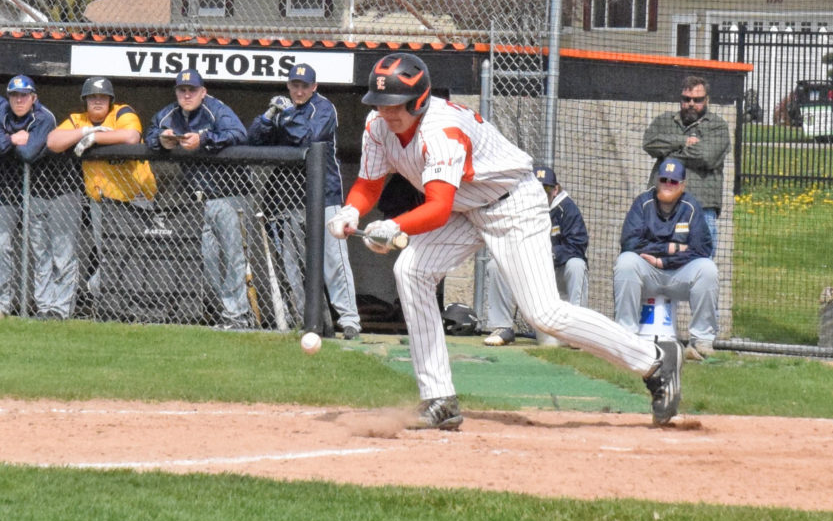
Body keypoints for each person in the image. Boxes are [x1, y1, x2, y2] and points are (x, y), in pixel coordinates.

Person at [328, 52, 681, 430]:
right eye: (380, 103)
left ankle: (654, 360)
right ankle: (439, 398)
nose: (385, 112)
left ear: (418, 100)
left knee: (544, 314)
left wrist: (395, 226)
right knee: (411, 270)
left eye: (394, 104)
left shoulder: (441, 131)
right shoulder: (377, 125)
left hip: (512, 203)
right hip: (466, 207)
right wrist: (352, 211)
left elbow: (437, 208)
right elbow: (369, 183)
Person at [248, 62, 361, 339]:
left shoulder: (323, 107)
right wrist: (268, 115)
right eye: (295, 85)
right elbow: (254, 139)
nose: (299, 91)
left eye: (304, 86)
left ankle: (350, 320)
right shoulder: (283, 110)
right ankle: (304, 319)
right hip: (290, 198)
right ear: (289, 85)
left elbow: (309, 137)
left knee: (334, 260)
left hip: (325, 194)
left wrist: (286, 117)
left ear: (314, 87)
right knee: (294, 264)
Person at [145, 69, 253, 330]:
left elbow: (239, 134)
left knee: (233, 257)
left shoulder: (216, 109)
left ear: (203, 92)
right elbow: (150, 133)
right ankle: (226, 310)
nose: (187, 95)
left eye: (192, 90)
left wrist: (204, 140)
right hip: (196, 199)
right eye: (182, 90)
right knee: (205, 259)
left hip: (230, 194)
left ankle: (237, 315)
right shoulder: (170, 114)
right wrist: (161, 141)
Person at [46, 76, 157, 299]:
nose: (97, 101)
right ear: (85, 100)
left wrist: (96, 138)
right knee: (109, 255)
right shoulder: (79, 120)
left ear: (110, 100)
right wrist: (84, 132)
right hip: (102, 202)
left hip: (136, 199)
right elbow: (53, 142)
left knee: (138, 254)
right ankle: (110, 301)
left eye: (102, 97)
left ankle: (98, 292)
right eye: (92, 97)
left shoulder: (122, 112)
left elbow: (131, 136)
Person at [613, 158, 719, 361]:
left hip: (679, 274)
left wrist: (664, 261)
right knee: (626, 262)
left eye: (674, 181)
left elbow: (702, 249)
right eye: (664, 180)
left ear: (683, 185)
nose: (668, 185)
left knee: (707, 269)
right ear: (657, 181)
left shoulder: (691, 206)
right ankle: (626, 336)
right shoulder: (642, 203)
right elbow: (629, 242)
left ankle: (701, 341)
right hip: (648, 273)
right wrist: (669, 248)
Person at [0, 76, 83, 319]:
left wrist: (7, 143)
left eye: (24, 95)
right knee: (40, 252)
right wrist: (12, 138)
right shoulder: (3, 112)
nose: (19, 100)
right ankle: (44, 307)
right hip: (31, 192)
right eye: (15, 95)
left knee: (62, 253)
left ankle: (61, 309)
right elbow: (23, 146)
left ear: (34, 97)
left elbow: (29, 153)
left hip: (60, 189)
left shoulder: (44, 116)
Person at [482, 164, 589, 347]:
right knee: (495, 265)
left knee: (577, 265)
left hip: (556, 272)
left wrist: (546, 255)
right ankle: (502, 327)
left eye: (546, 190)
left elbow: (577, 245)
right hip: (528, 272)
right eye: (537, 190)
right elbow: (506, 242)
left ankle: (576, 331)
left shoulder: (567, 208)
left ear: (555, 190)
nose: (541, 194)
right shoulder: (518, 208)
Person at [642, 75, 730, 253]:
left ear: (707, 100)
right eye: (686, 99)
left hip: (701, 207)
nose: (691, 104)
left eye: (697, 100)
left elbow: (706, 156)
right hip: (662, 208)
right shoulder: (665, 121)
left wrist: (668, 155)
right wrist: (683, 141)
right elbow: (649, 143)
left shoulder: (717, 126)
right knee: (657, 257)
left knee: (700, 261)